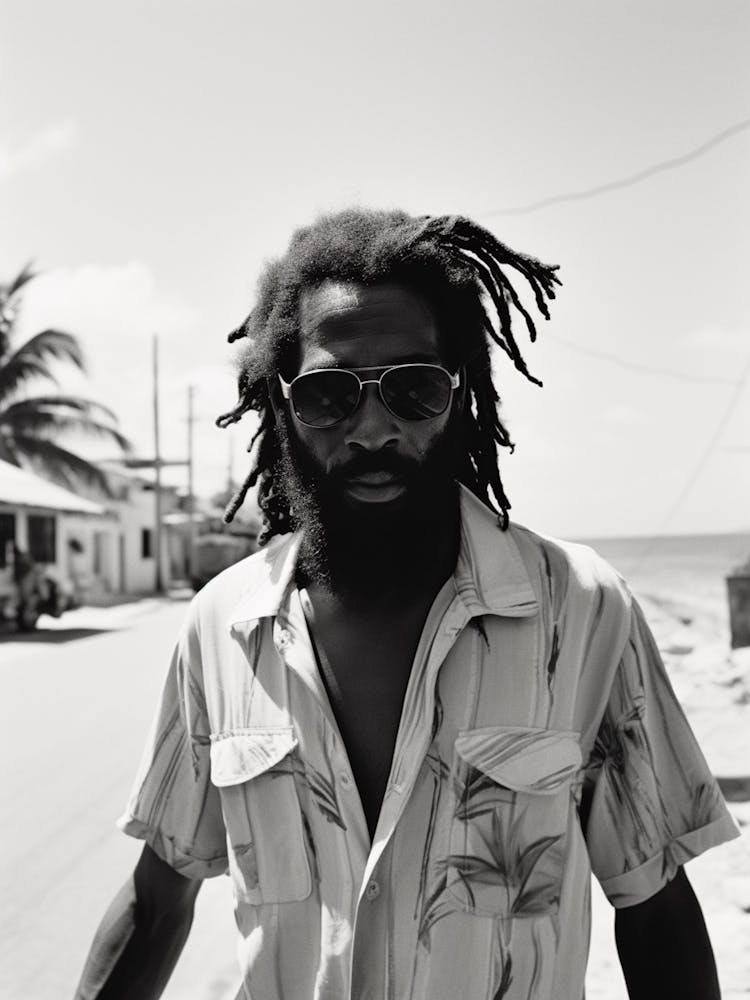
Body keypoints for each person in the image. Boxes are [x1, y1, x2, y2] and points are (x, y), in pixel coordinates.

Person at [75, 209, 739, 1000]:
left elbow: (655, 906)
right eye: (328, 396)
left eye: (413, 389)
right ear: (282, 407)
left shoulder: (583, 610)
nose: (371, 429)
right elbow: (157, 906)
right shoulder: (224, 628)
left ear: (458, 394)